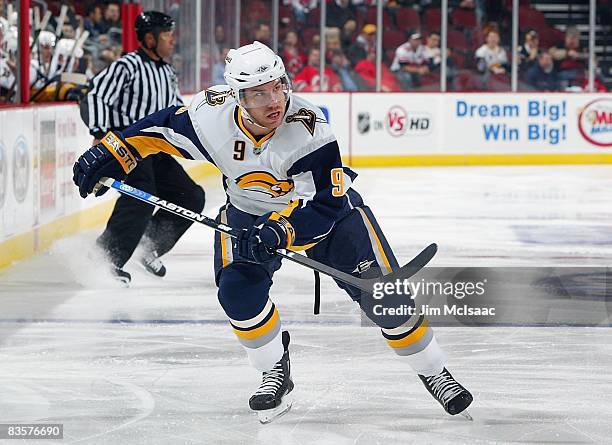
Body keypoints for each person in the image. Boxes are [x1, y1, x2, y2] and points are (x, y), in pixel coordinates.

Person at [72, 41, 473, 423]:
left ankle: (435, 372)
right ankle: (274, 369)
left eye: (279, 87)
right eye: (259, 94)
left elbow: (327, 205)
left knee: (389, 302)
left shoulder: (310, 129)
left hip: (328, 220)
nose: (275, 101)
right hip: (248, 214)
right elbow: (157, 131)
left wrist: (280, 232)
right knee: (237, 293)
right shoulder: (210, 119)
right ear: (237, 98)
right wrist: (110, 153)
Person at [79, 11, 205, 284]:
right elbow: (96, 95)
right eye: (167, 35)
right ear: (150, 38)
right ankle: (106, 258)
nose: (173, 40)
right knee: (141, 193)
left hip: (156, 149)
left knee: (192, 197)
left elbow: (176, 110)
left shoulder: (167, 72)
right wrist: (101, 135)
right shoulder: (128, 66)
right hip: (130, 147)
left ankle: (148, 246)